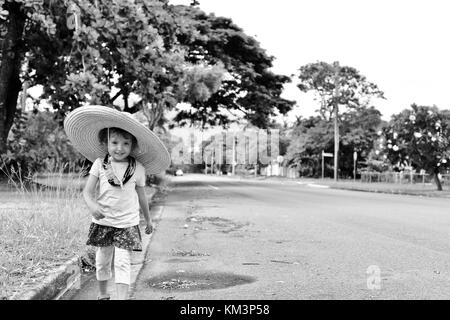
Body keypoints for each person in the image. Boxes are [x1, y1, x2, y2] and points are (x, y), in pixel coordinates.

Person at [64, 105, 170, 300]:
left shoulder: (137, 168)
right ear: (106, 143)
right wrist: (92, 206)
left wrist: (148, 220)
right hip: (103, 223)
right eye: (114, 142)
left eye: (125, 143)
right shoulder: (99, 164)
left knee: (122, 261)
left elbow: (142, 195)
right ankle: (103, 295)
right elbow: (87, 192)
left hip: (126, 223)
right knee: (103, 260)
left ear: (133, 146)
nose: (119, 148)